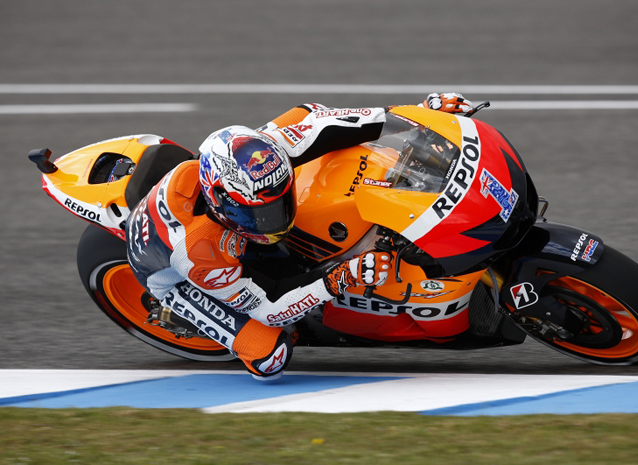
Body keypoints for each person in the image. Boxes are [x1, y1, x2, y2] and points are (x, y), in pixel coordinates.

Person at [124, 92, 473, 379]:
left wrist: (426, 116)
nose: (275, 219)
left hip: (215, 210)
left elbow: (347, 120)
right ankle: (189, 316)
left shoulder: (267, 151)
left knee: (310, 113)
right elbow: (270, 309)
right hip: (170, 274)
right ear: (222, 202)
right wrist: (341, 277)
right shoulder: (199, 251)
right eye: (261, 213)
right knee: (270, 358)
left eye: (279, 201)